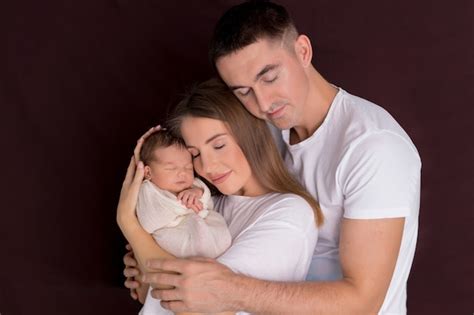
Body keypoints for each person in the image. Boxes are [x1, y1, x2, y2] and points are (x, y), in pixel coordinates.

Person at [123, 1, 422, 314]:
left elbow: (362, 302)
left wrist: (228, 291)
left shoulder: (373, 147)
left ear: (303, 51)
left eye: (269, 77)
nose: (263, 102)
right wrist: (151, 258)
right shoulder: (264, 132)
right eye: (243, 91)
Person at [117, 78, 323, 314]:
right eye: (194, 154)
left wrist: (129, 223)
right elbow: (152, 293)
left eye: (218, 145)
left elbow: (206, 307)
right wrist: (146, 272)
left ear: (249, 135)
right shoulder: (209, 206)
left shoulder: (290, 214)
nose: (207, 166)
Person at [129, 129, 232, 312]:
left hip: (204, 237)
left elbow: (206, 201)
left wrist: (197, 194)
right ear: (148, 173)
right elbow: (150, 221)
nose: (182, 174)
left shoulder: (192, 186)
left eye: (188, 168)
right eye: (171, 168)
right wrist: (186, 206)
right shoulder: (148, 191)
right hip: (171, 238)